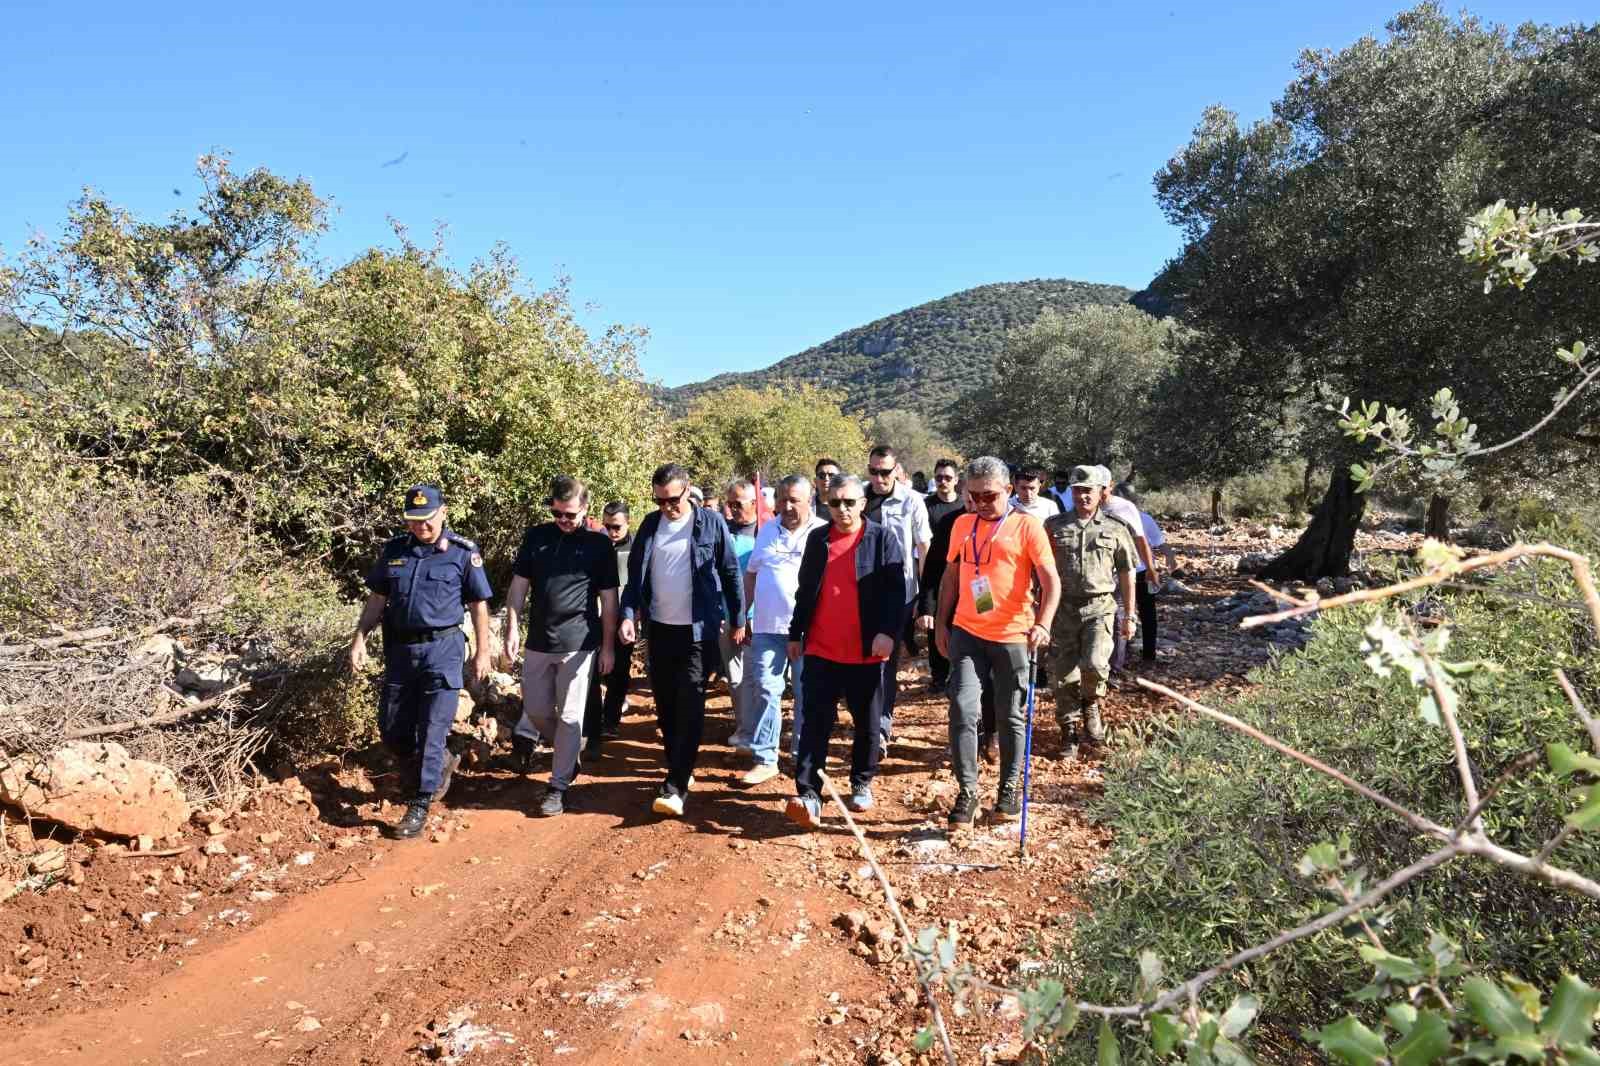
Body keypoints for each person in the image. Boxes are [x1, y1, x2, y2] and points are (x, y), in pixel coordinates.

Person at [349, 485, 493, 839]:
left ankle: (420, 802)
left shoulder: (462, 553)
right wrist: (359, 637)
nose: (421, 526)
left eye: (427, 519)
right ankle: (440, 764)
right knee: (393, 728)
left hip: (442, 651)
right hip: (400, 652)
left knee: (432, 727)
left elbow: (479, 605)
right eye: (413, 520)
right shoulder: (395, 550)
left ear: (443, 512)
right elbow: (376, 600)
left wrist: (483, 651)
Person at [934, 457, 1059, 826]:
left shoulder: (1027, 527)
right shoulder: (961, 525)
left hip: (1013, 635)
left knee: (1009, 716)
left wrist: (1044, 623)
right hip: (967, 633)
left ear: (1008, 490)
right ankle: (967, 792)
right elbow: (951, 577)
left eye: (989, 496)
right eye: (973, 496)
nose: (980, 503)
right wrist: (941, 623)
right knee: (962, 709)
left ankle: (1008, 788)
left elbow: (1051, 581)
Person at [619, 463, 746, 817]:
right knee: (666, 707)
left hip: (698, 630)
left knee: (690, 701)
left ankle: (675, 785)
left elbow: (731, 573)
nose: (667, 507)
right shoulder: (649, 525)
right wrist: (629, 616)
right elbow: (635, 581)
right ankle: (680, 765)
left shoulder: (711, 524)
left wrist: (738, 619)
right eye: (660, 501)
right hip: (659, 630)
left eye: (673, 500)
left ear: (688, 491)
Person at [785, 475, 905, 829]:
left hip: (865, 652)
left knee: (867, 726)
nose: (842, 510)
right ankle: (809, 794)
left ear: (863, 503)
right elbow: (805, 591)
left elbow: (895, 593)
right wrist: (796, 633)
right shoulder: (817, 539)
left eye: (849, 502)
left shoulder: (882, 539)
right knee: (813, 724)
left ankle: (861, 781)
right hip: (821, 649)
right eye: (835, 503)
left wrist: (887, 633)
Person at [501, 476, 618, 816]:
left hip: (579, 644)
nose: (563, 521)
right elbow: (519, 587)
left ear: (585, 509)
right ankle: (568, 752)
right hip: (538, 641)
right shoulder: (537, 537)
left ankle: (558, 785)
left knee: (569, 716)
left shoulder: (599, 546)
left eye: (570, 515)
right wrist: (512, 629)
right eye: (557, 514)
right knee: (537, 711)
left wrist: (607, 648)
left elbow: (609, 600)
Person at [739, 474, 827, 784]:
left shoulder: (822, 533)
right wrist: (742, 615)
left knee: (806, 694)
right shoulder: (766, 531)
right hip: (767, 627)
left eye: (795, 500)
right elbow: (750, 575)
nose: (787, 506)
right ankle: (765, 757)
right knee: (766, 689)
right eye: (783, 499)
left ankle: (801, 755)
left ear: (810, 501)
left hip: (809, 630)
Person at [1044, 466, 1137, 758]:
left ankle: (1091, 705)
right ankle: (1069, 730)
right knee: (1063, 674)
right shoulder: (1054, 526)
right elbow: (1040, 569)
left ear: (1101, 492)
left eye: (1088, 490)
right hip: (1063, 608)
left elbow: (1127, 572)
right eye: (1077, 490)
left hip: (1100, 607)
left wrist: (1130, 615)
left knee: (1096, 664)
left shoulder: (1116, 527)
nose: (1083, 495)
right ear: (1071, 492)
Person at [862, 444, 932, 749]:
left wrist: (924, 597)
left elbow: (923, 548)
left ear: (896, 470)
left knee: (884, 660)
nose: (879, 478)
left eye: (885, 472)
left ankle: (880, 727)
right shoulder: (859, 499)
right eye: (874, 471)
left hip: (900, 592)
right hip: (861, 591)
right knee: (862, 661)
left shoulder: (912, 500)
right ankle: (866, 716)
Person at [582, 500, 635, 752]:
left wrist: (634, 616)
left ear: (628, 524)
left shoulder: (637, 549)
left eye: (616, 527)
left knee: (620, 670)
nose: (611, 532)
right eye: (606, 526)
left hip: (625, 618)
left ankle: (611, 719)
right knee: (593, 672)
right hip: (596, 617)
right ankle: (591, 725)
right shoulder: (596, 547)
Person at [1114, 487, 1176, 666]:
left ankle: (1149, 653)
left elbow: (1159, 543)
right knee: (1120, 614)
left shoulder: (1144, 519)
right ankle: (1119, 657)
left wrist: (1169, 558)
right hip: (1119, 574)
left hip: (1142, 573)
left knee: (1147, 612)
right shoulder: (1106, 517)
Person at [918, 458, 965, 690]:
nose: (943, 482)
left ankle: (959, 674)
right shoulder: (926, 506)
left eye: (948, 477)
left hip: (965, 575)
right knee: (937, 624)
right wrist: (925, 604)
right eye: (939, 477)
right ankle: (939, 676)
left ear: (956, 480)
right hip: (935, 572)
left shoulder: (964, 508)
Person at [721, 480, 761, 750]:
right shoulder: (722, 531)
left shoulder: (766, 531)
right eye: (730, 504)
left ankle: (757, 730)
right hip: (724, 615)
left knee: (757, 677)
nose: (733, 509)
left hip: (758, 617)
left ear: (754, 503)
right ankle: (744, 727)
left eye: (739, 504)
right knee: (735, 675)